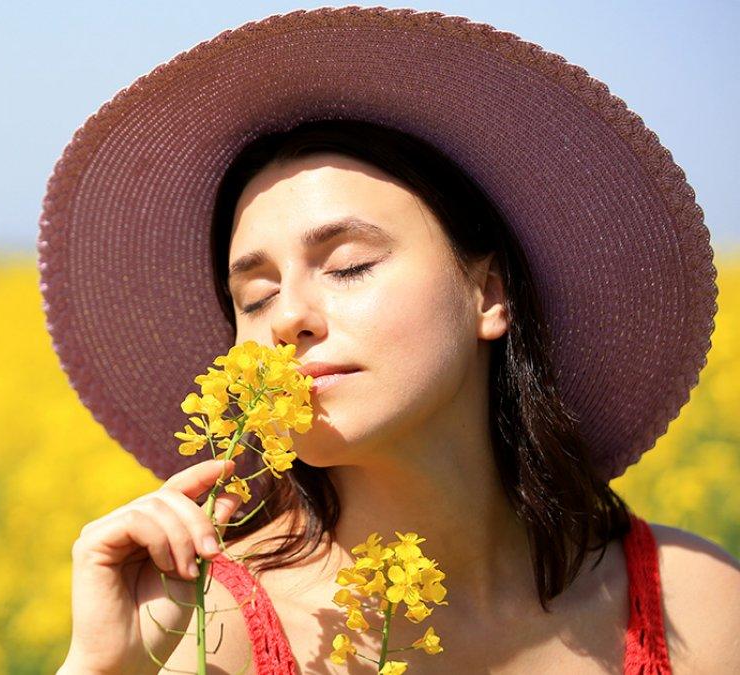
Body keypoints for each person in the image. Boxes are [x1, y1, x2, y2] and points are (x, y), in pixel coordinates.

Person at [38, 7, 739, 674]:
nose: (288, 318)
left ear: (489, 294)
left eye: (348, 266)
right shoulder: (205, 637)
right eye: (255, 297)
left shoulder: (697, 606)